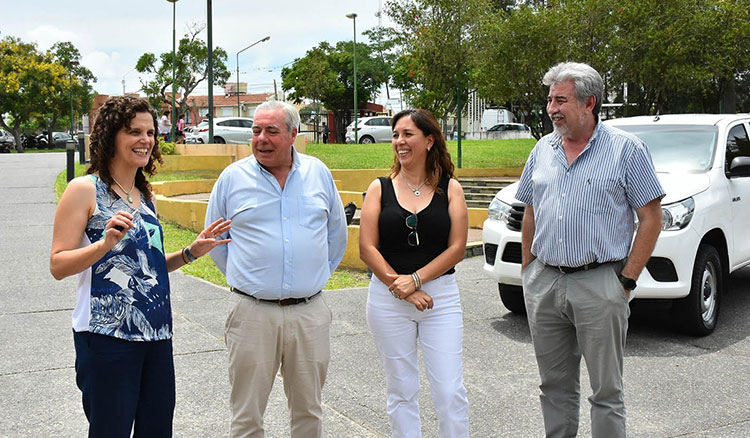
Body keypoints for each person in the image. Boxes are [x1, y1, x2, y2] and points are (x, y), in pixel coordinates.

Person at [49, 95, 232, 437]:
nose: (145, 140)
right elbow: (58, 264)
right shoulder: (84, 190)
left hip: (157, 334)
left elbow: (146, 268)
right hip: (106, 336)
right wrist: (104, 245)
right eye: (134, 131)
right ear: (110, 136)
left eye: (150, 132)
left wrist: (191, 252)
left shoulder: (144, 193)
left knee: (157, 431)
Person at [517, 62, 664, 438]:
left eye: (560, 100)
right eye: (550, 99)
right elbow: (530, 210)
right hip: (546, 281)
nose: (551, 108)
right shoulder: (542, 148)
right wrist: (528, 271)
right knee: (554, 387)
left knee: (606, 391)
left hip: (601, 283)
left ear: (589, 103)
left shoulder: (625, 150)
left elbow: (650, 218)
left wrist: (626, 281)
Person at [205, 100, 347, 438]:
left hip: (309, 314)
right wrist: (251, 283)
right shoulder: (232, 178)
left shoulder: (318, 174)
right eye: (256, 131)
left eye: (271, 131)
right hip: (251, 315)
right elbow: (215, 241)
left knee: (309, 412)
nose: (261, 139)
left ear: (293, 134)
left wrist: (310, 281)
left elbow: (335, 237)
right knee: (246, 416)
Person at [359, 108, 470, 437]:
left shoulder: (451, 189)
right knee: (402, 392)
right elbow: (368, 248)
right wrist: (401, 287)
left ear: (429, 140)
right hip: (387, 299)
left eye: (407, 134)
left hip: (441, 300)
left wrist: (417, 280)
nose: (399, 141)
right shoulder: (379, 188)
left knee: (450, 392)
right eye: (395, 135)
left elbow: (457, 249)